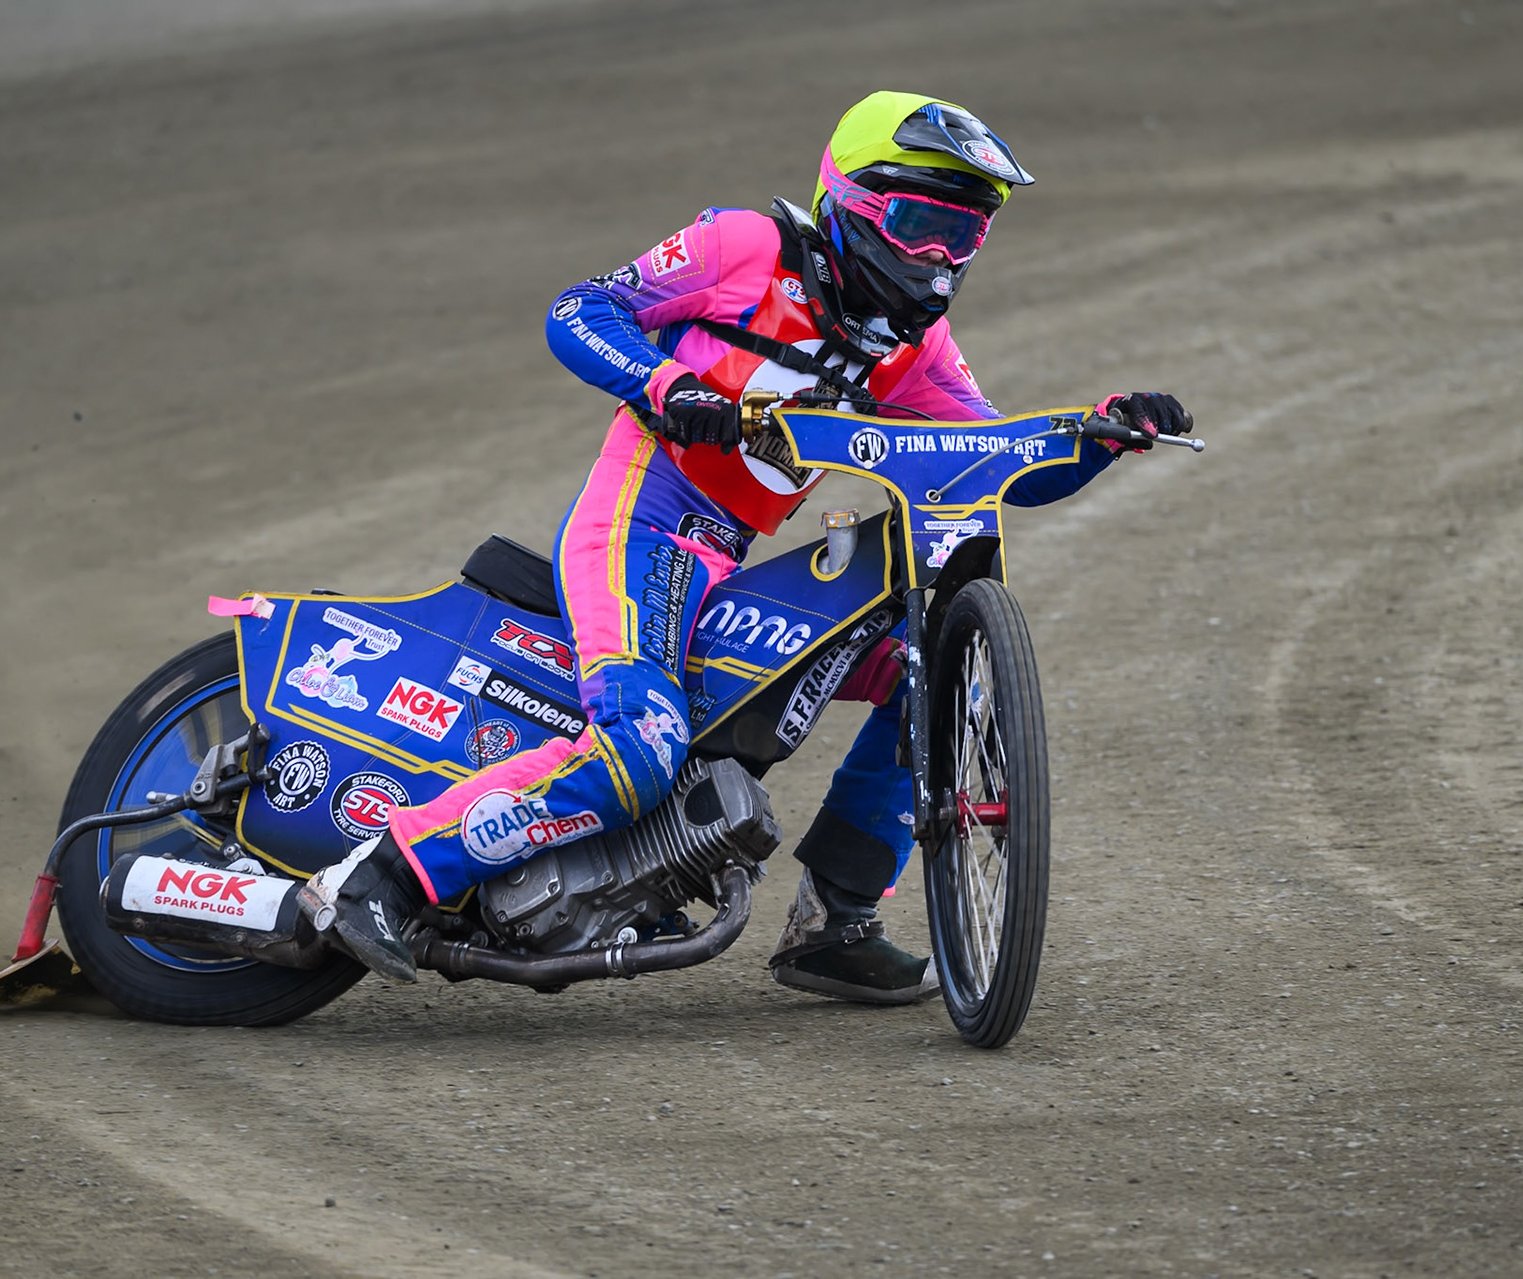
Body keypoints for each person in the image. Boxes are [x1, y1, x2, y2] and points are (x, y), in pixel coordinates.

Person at [304, 91, 1191, 1002]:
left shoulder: (914, 353)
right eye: (923, 222)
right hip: (635, 529)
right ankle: (381, 875)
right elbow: (577, 311)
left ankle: (832, 922)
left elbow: (989, 460)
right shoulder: (744, 250)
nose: (938, 258)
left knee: (930, 677)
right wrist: (665, 382)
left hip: (723, 565)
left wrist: (1098, 437)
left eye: (963, 237)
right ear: (855, 200)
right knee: (642, 744)